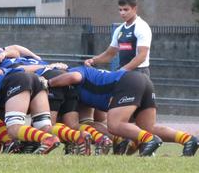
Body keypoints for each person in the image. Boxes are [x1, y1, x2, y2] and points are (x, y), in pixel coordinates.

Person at [46, 66, 198, 157]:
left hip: (128, 82)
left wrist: (49, 82)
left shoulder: (75, 71)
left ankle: (149, 139)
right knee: (148, 127)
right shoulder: (85, 91)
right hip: (142, 81)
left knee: (116, 125)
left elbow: (73, 76)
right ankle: (188, 140)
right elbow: (95, 122)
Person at [84, 0, 152, 76]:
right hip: (123, 70)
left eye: (126, 9)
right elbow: (109, 54)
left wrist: (122, 70)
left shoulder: (141, 27)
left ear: (135, 9)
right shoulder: (119, 29)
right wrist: (92, 61)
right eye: (120, 10)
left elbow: (142, 56)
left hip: (139, 72)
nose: (122, 13)